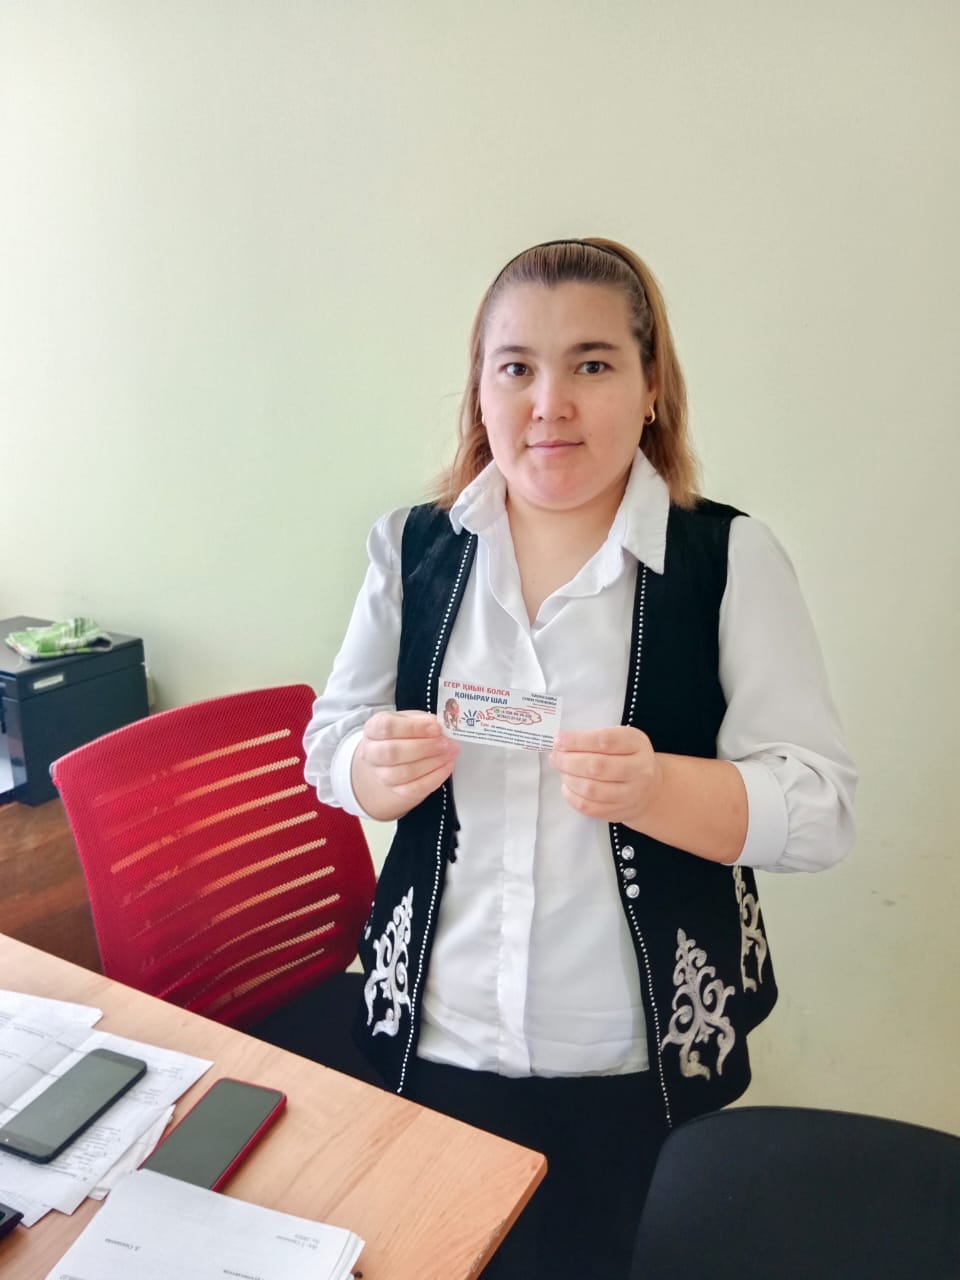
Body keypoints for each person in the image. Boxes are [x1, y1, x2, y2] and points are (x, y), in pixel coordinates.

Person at [303, 238, 857, 1277]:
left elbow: (821, 807)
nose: (548, 402)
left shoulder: (728, 558)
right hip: (430, 1036)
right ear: (480, 391)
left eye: (592, 363)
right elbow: (331, 738)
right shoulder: (409, 547)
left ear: (651, 389)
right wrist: (365, 771)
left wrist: (661, 788)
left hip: (635, 1065)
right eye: (516, 366)